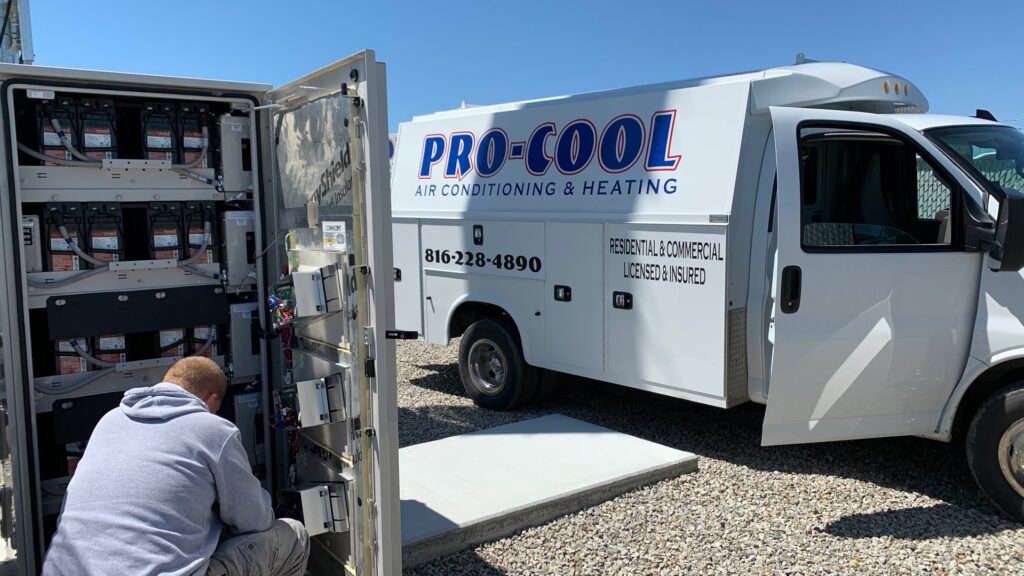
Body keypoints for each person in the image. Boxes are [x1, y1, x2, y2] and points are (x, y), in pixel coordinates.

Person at [42, 356, 310, 576]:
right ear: (211, 399)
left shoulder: (109, 420)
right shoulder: (213, 429)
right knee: (292, 536)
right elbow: (254, 520)